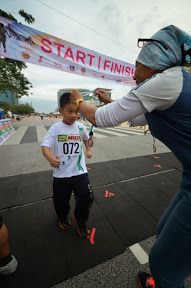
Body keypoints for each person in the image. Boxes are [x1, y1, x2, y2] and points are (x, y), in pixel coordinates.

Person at [70, 25, 191, 288]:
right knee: (162, 231)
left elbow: (101, 119)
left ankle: (167, 277)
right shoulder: (171, 83)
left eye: (136, 67)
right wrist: (107, 101)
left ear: (154, 62)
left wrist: (79, 101)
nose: (134, 75)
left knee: (163, 265)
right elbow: (135, 117)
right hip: (189, 178)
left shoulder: (167, 80)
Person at [41, 92, 94, 239]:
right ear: (61, 111)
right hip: (61, 174)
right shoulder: (55, 128)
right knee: (60, 202)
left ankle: (81, 220)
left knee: (87, 198)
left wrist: (88, 148)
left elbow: (88, 139)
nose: (73, 115)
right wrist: (51, 158)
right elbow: (45, 146)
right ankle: (62, 217)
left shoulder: (80, 127)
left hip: (80, 172)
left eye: (76, 111)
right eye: (69, 111)